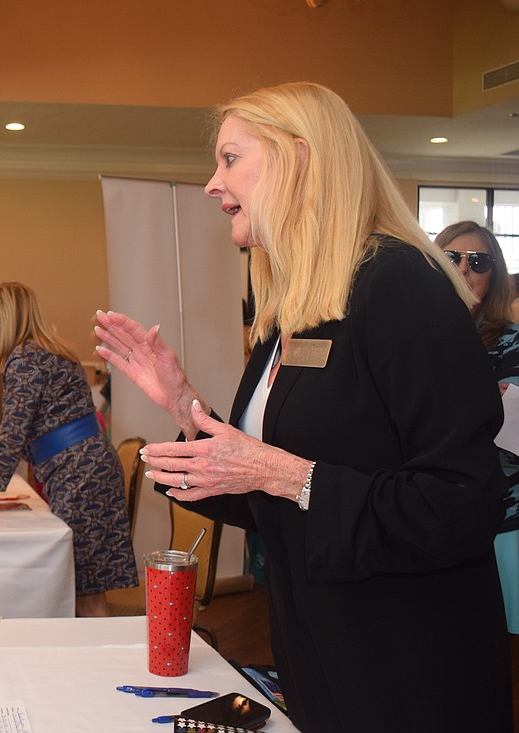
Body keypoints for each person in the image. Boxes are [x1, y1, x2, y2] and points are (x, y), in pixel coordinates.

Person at [94, 82, 512, 731]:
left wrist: (285, 474)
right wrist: (185, 405)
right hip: (319, 652)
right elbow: (267, 491)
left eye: (230, 158)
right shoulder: (296, 308)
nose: (211, 183)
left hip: (408, 666)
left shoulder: (401, 283)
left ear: (299, 157)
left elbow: (462, 503)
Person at [0, 282, 137, 617]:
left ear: (1, 321)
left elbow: (13, 435)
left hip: (80, 477)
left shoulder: (25, 360)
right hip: (89, 470)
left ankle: (109, 651)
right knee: (84, 591)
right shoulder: (48, 351)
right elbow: (42, 427)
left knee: (84, 595)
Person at [436, 220, 519, 635]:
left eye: (479, 262)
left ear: (494, 275)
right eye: (452, 257)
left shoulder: (511, 340)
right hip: (423, 511)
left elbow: (510, 429)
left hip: (500, 513)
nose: (465, 269)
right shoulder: (409, 335)